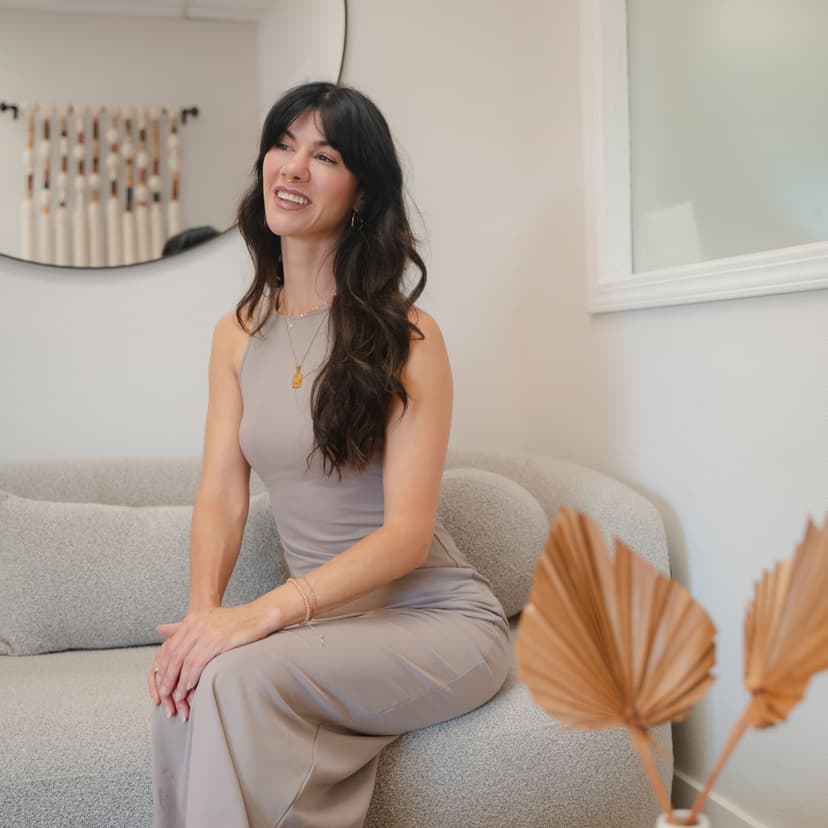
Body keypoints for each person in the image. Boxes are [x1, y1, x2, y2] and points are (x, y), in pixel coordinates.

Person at [148, 81, 511, 828]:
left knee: (237, 678)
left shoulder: (409, 338)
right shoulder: (237, 333)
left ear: (362, 194)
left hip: (437, 620)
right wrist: (202, 619)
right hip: (332, 628)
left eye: (325, 155)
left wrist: (263, 616)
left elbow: (408, 537)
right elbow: (221, 493)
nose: (293, 167)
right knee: (187, 687)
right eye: (283, 145)